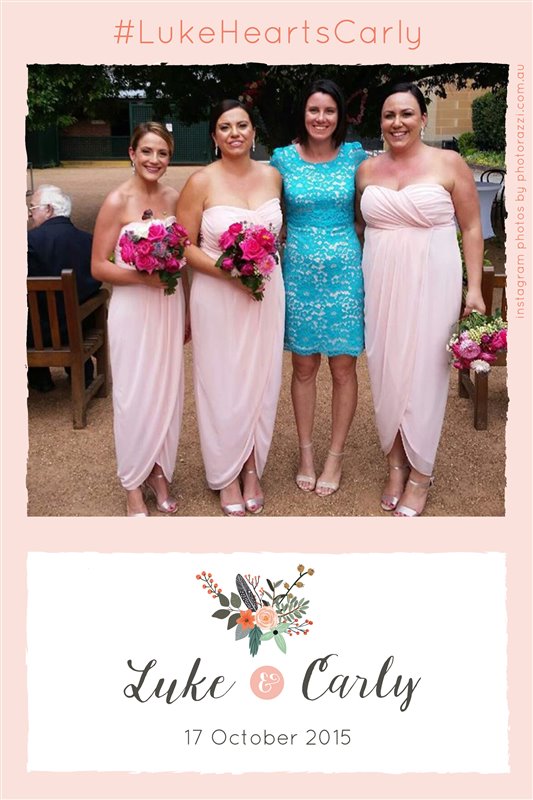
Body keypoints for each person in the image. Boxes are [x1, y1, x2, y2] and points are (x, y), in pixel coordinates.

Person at [355, 82, 485, 517]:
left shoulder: (449, 163)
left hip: (434, 275)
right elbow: (359, 228)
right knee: (385, 366)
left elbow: (471, 227)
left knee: (427, 370)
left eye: (407, 114)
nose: (398, 123)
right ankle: (395, 463)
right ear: (380, 122)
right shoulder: (366, 170)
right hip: (380, 278)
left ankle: (421, 473)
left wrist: (474, 288)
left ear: (423, 119)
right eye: (389, 115)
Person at [176, 100, 284, 516]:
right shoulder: (200, 181)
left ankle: (252, 467)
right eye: (225, 127)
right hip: (217, 294)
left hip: (266, 293)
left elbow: (277, 234)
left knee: (262, 378)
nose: (235, 133)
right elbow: (184, 245)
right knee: (221, 382)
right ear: (214, 136)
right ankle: (225, 473)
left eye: (242, 125)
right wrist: (229, 270)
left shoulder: (273, 176)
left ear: (253, 132)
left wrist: (258, 265)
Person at [270, 79, 367, 497]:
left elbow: (368, 212)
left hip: (345, 273)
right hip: (299, 276)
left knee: (343, 368)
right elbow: (267, 209)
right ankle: (306, 453)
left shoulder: (355, 157)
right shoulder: (282, 160)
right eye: (314, 110)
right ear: (303, 114)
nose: (321, 118)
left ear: (340, 116)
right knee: (304, 367)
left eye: (329, 111)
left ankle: (335, 456)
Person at [91, 122, 189, 517]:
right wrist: (142, 278)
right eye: (146, 151)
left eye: (162, 153)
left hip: (168, 305)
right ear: (132, 153)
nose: (154, 159)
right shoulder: (117, 201)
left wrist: (188, 308)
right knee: (133, 395)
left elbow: (183, 256)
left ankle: (159, 472)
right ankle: (132, 482)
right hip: (133, 308)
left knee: (167, 391)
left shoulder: (174, 197)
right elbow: (98, 266)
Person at [27, 184, 101, 392]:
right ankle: (83, 373)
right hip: (81, 328)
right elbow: (95, 283)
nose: (30, 214)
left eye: (33, 208)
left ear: (49, 209)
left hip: (36, 334)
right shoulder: (89, 241)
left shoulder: (28, 242)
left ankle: (39, 378)